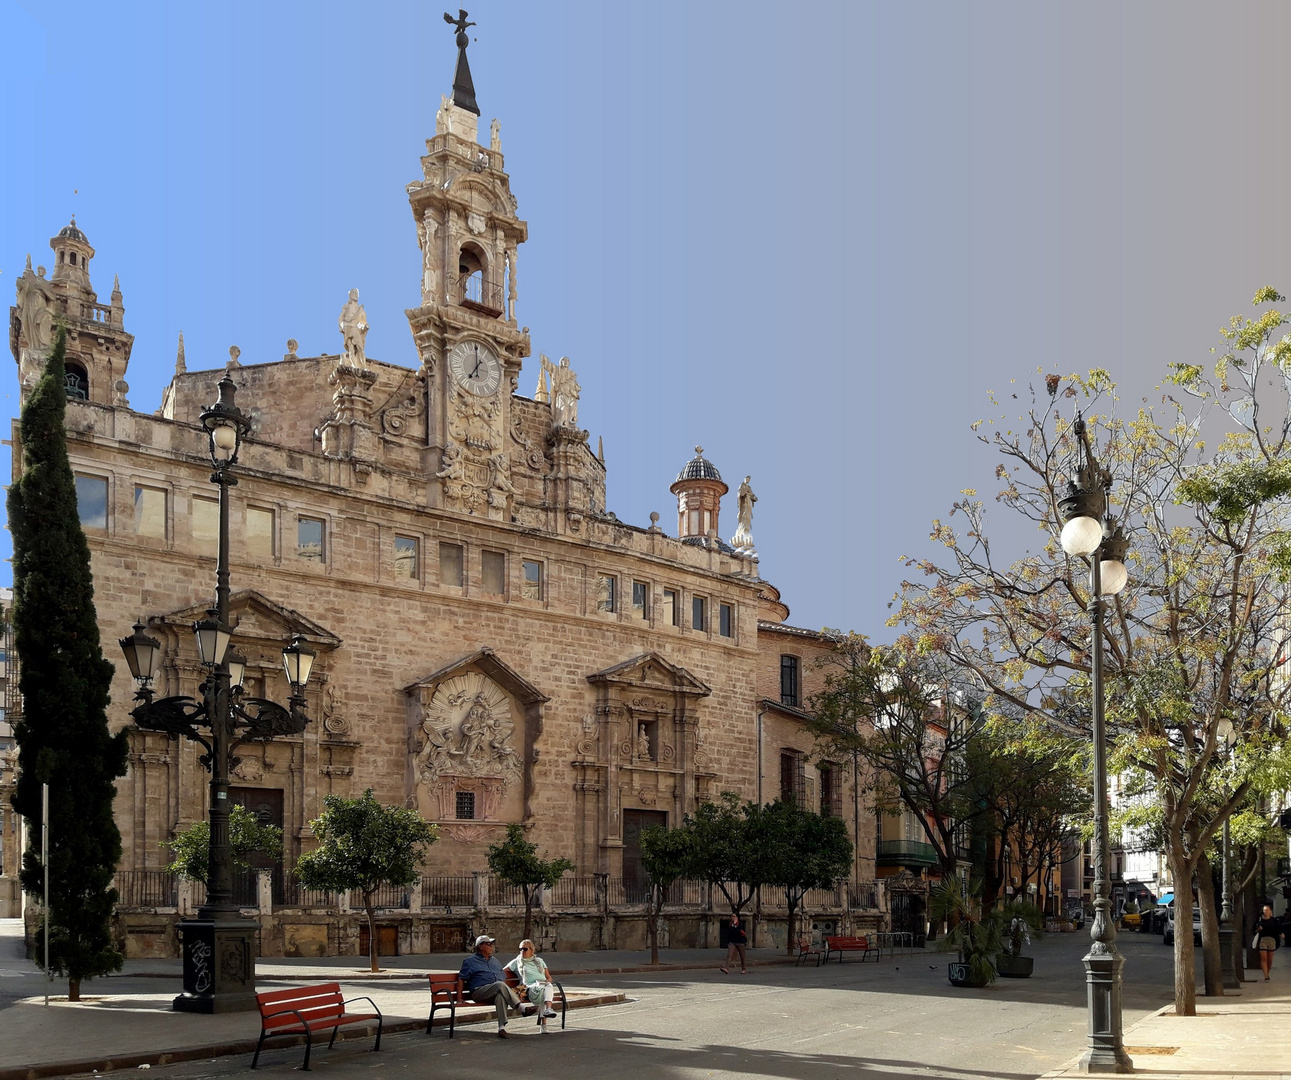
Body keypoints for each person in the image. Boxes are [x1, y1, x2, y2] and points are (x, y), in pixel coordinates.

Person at [457, 934, 532, 1037]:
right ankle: (522, 1008)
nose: (491, 946)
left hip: (495, 990)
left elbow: (502, 977)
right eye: (488, 944)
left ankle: (502, 1028)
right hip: (479, 992)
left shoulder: (494, 961)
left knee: (500, 996)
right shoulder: (470, 961)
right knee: (499, 985)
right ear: (480, 946)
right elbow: (461, 978)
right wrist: (459, 998)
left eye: (492, 944)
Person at [504, 939, 559, 1032]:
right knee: (545, 990)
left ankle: (548, 1012)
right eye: (520, 949)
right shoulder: (517, 961)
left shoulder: (539, 961)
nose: (522, 951)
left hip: (541, 985)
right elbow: (503, 970)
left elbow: (549, 977)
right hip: (529, 988)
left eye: (525, 949)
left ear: (531, 950)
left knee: (547, 986)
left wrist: (545, 982)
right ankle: (545, 1019)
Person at [1254, 903, 1285, 981]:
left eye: (1267, 910)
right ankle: (1266, 975)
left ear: (1270, 911)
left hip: (1272, 940)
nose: (1265, 912)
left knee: (1270, 959)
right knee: (1264, 958)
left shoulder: (1274, 920)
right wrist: (1258, 930)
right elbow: (1254, 930)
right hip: (1262, 940)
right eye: (1264, 910)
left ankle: (1267, 972)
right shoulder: (1259, 920)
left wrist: (1281, 934)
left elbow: (1278, 929)